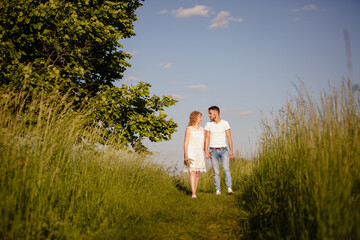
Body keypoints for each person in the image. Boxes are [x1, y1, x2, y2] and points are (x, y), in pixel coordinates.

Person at [205, 106, 234, 195]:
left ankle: (229, 188)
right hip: (213, 151)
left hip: (224, 150)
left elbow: (229, 137)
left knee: (226, 169)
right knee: (216, 171)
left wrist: (231, 151)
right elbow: (207, 138)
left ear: (215, 113)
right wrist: (206, 151)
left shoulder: (225, 123)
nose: (209, 115)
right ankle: (218, 189)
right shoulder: (208, 124)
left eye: (210, 113)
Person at [184, 111, 207, 199]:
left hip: (199, 153)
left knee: (197, 172)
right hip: (191, 152)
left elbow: (204, 142)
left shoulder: (202, 129)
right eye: (200, 117)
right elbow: (186, 142)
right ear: (195, 118)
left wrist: (206, 151)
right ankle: (193, 193)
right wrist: (186, 155)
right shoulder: (189, 129)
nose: (201, 119)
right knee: (192, 171)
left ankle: (195, 191)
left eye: (201, 117)